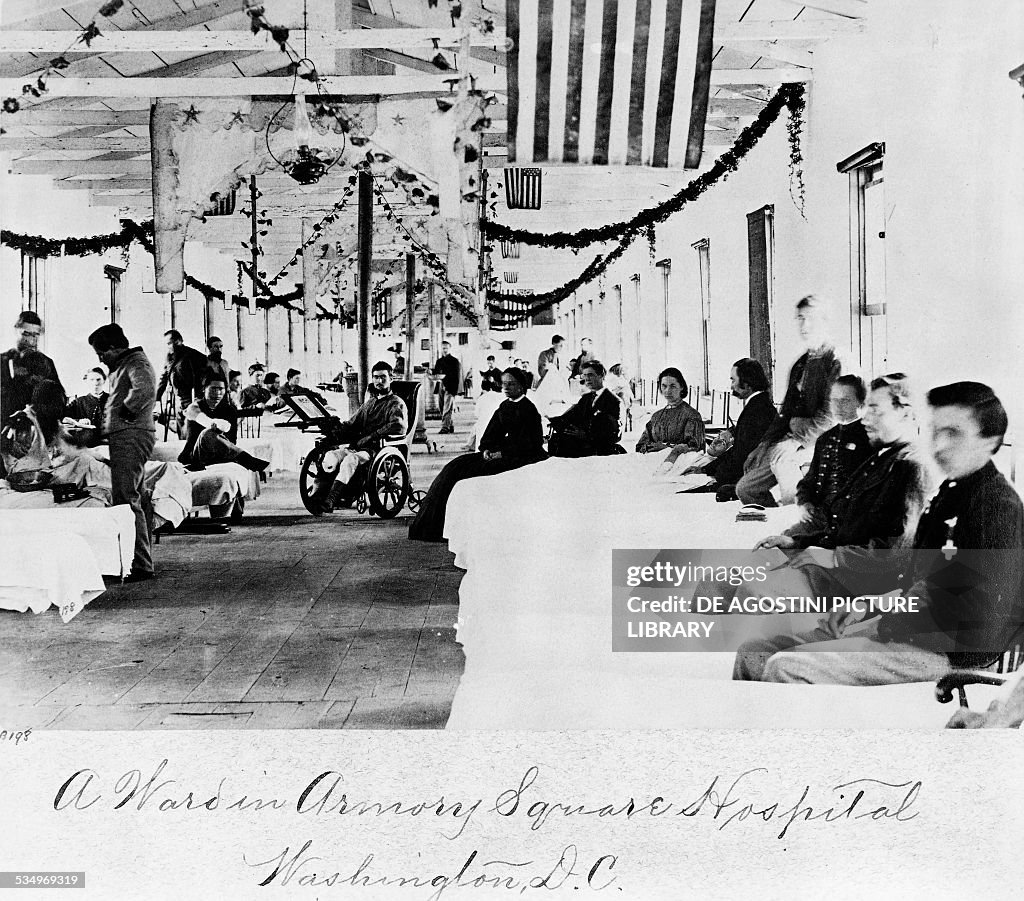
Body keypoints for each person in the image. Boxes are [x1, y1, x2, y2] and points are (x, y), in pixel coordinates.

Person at [739, 381, 1022, 686]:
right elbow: (923, 582)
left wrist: (881, 622)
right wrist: (871, 606)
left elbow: (978, 618)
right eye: (935, 431)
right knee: (755, 650)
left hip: (949, 654)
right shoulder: (950, 494)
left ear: (990, 441)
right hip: (907, 626)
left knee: (786, 667)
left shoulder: (996, 506)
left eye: (953, 433)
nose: (939, 445)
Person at [409, 367, 546, 541]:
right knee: (454, 467)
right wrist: (488, 448)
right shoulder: (505, 406)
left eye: (511, 384)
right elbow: (492, 433)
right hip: (505, 452)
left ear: (521, 386)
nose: (506, 388)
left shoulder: (529, 409)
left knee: (468, 474)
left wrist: (501, 453)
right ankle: (432, 527)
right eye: (504, 384)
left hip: (523, 456)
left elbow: (530, 443)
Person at [736, 295, 843, 506]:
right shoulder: (801, 364)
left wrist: (797, 441)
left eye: (811, 318)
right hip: (792, 440)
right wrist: (763, 445)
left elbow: (831, 416)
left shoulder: (836, 361)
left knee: (783, 467)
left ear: (825, 321)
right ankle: (772, 521)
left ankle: (793, 526)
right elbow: (785, 412)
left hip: (821, 440)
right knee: (745, 489)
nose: (804, 325)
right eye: (800, 318)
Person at [88, 323, 157, 582]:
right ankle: (140, 559)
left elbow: (146, 390)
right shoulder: (125, 365)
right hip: (127, 435)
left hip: (131, 435)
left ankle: (138, 564)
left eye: (102, 354)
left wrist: (126, 413)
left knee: (127, 498)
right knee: (134, 496)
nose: (101, 359)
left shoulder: (135, 362)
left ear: (115, 348)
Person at [308, 361, 408, 513]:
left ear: (391, 378)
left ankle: (331, 500)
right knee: (330, 456)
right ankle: (318, 495)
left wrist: (372, 436)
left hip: (378, 448)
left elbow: (397, 425)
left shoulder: (396, 403)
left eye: (383, 377)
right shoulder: (370, 403)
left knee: (350, 460)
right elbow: (352, 423)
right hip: (359, 447)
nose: (379, 381)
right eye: (376, 377)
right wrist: (334, 428)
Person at [791, 374, 873, 522]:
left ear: (861, 403)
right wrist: (804, 503)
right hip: (820, 515)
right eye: (834, 400)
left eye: (845, 400)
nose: (838, 406)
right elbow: (809, 481)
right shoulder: (825, 439)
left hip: (852, 519)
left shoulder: (869, 438)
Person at [690, 358, 776, 496]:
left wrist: (712, 475)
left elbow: (741, 456)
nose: (731, 386)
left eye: (733, 380)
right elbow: (738, 451)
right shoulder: (758, 405)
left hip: (746, 481)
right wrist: (706, 469)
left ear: (747, 384)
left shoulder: (757, 411)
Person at [178, 373, 268, 473]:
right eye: (213, 389)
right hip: (195, 456)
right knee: (207, 433)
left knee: (211, 434)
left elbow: (232, 441)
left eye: (221, 389)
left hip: (218, 456)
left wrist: (222, 432)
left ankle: (245, 460)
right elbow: (191, 412)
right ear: (204, 389)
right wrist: (212, 423)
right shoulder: (195, 406)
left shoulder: (229, 410)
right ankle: (247, 460)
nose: (217, 393)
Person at [1, 310, 65, 426]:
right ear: (16, 330)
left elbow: (59, 403)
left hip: (37, 428)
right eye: (26, 334)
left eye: (35, 335)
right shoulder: (3, 361)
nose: (31, 340)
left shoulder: (47, 363)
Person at [548, 360, 622, 457]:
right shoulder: (585, 398)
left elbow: (616, 435)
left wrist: (586, 435)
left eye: (590, 375)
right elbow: (572, 416)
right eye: (585, 375)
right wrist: (555, 422)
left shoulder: (614, 401)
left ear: (601, 376)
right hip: (583, 447)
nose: (587, 379)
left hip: (600, 452)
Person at [636, 367, 705, 454]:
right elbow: (640, 445)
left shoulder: (691, 415)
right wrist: (647, 448)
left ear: (681, 387)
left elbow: (696, 448)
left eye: (673, 386)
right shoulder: (656, 416)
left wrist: (667, 448)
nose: (667, 391)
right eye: (664, 386)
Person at [156, 329, 207, 433]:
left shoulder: (193, 355)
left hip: (192, 397)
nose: (168, 347)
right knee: (181, 424)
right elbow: (164, 378)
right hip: (178, 398)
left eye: (169, 343)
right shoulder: (169, 357)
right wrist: (156, 397)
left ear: (178, 341)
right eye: (166, 344)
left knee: (192, 425)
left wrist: (199, 397)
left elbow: (203, 376)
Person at [432, 341, 462, 434]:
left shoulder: (455, 361)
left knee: (447, 408)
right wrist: (431, 373)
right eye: (443, 348)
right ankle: (450, 425)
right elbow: (436, 373)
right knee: (441, 407)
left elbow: (457, 377)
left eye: (446, 348)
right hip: (441, 386)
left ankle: (445, 427)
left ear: (449, 349)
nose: (444, 350)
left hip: (450, 387)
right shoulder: (439, 361)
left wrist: (455, 391)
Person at [604, 363, 635, 432]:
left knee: (623, 395)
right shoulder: (612, 378)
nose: (622, 372)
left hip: (624, 395)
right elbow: (611, 388)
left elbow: (624, 386)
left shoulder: (623, 378)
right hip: (616, 394)